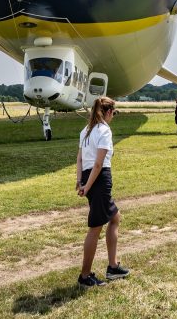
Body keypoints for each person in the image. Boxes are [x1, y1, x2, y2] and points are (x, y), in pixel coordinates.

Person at [76, 96, 129, 287]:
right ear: (108, 112)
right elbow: (98, 164)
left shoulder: (86, 130)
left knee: (114, 217)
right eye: (113, 113)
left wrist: (80, 180)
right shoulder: (104, 130)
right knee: (95, 227)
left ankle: (113, 266)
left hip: (89, 178)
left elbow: (80, 159)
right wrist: (87, 186)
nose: (113, 116)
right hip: (99, 179)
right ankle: (85, 276)